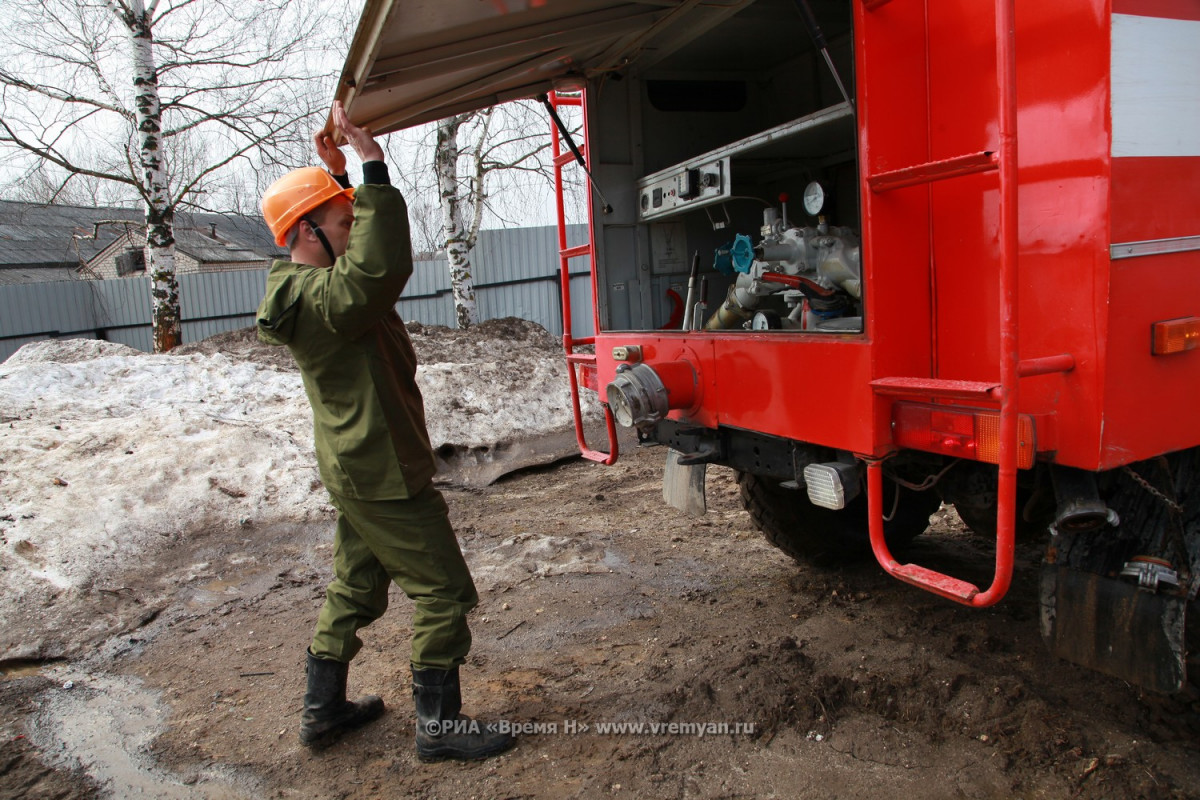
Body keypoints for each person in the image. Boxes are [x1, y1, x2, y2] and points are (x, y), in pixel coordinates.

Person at [256, 101, 514, 762]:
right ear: (306, 232)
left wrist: (337, 174)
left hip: (358, 466)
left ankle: (324, 710)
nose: (352, 226)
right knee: (443, 591)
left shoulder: (312, 287)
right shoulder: (321, 300)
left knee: (356, 584)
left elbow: (358, 268)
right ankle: (440, 727)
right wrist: (372, 167)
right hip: (382, 471)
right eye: (343, 221)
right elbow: (374, 272)